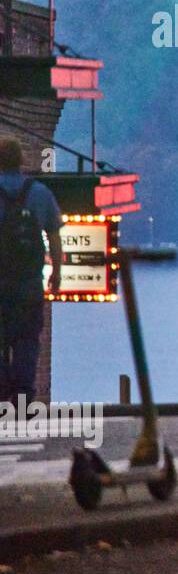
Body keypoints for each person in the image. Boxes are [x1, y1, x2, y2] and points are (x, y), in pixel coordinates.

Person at [0, 136, 61, 406]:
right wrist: (57, 272)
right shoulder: (39, 192)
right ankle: (23, 393)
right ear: (21, 160)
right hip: (28, 283)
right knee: (27, 338)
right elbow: (55, 236)